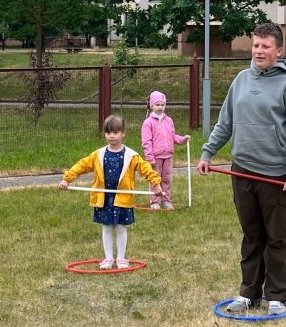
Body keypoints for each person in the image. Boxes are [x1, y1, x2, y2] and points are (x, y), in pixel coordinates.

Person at [197, 22, 286, 316]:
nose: (258, 51)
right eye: (256, 45)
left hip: (275, 173)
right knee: (251, 235)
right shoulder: (241, 80)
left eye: (265, 46)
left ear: (279, 51)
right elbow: (225, 123)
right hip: (242, 170)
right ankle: (249, 293)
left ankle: (276, 296)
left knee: (276, 236)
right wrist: (208, 152)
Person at [59, 115, 162, 269]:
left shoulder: (131, 156)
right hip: (104, 198)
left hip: (122, 198)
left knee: (121, 227)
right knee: (106, 227)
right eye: (108, 133)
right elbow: (82, 165)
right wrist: (67, 179)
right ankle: (108, 258)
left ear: (123, 134)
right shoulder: (98, 155)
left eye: (115, 132)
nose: (111, 136)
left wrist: (155, 184)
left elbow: (146, 169)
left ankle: (121, 258)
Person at [141, 90, 190, 210]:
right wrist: (149, 157)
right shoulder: (148, 123)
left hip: (168, 156)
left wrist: (183, 139)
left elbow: (173, 137)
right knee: (155, 179)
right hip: (155, 157)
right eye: (157, 105)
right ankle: (154, 201)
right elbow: (146, 142)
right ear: (152, 105)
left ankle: (166, 199)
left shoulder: (169, 121)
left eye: (162, 105)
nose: (160, 107)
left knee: (167, 179)